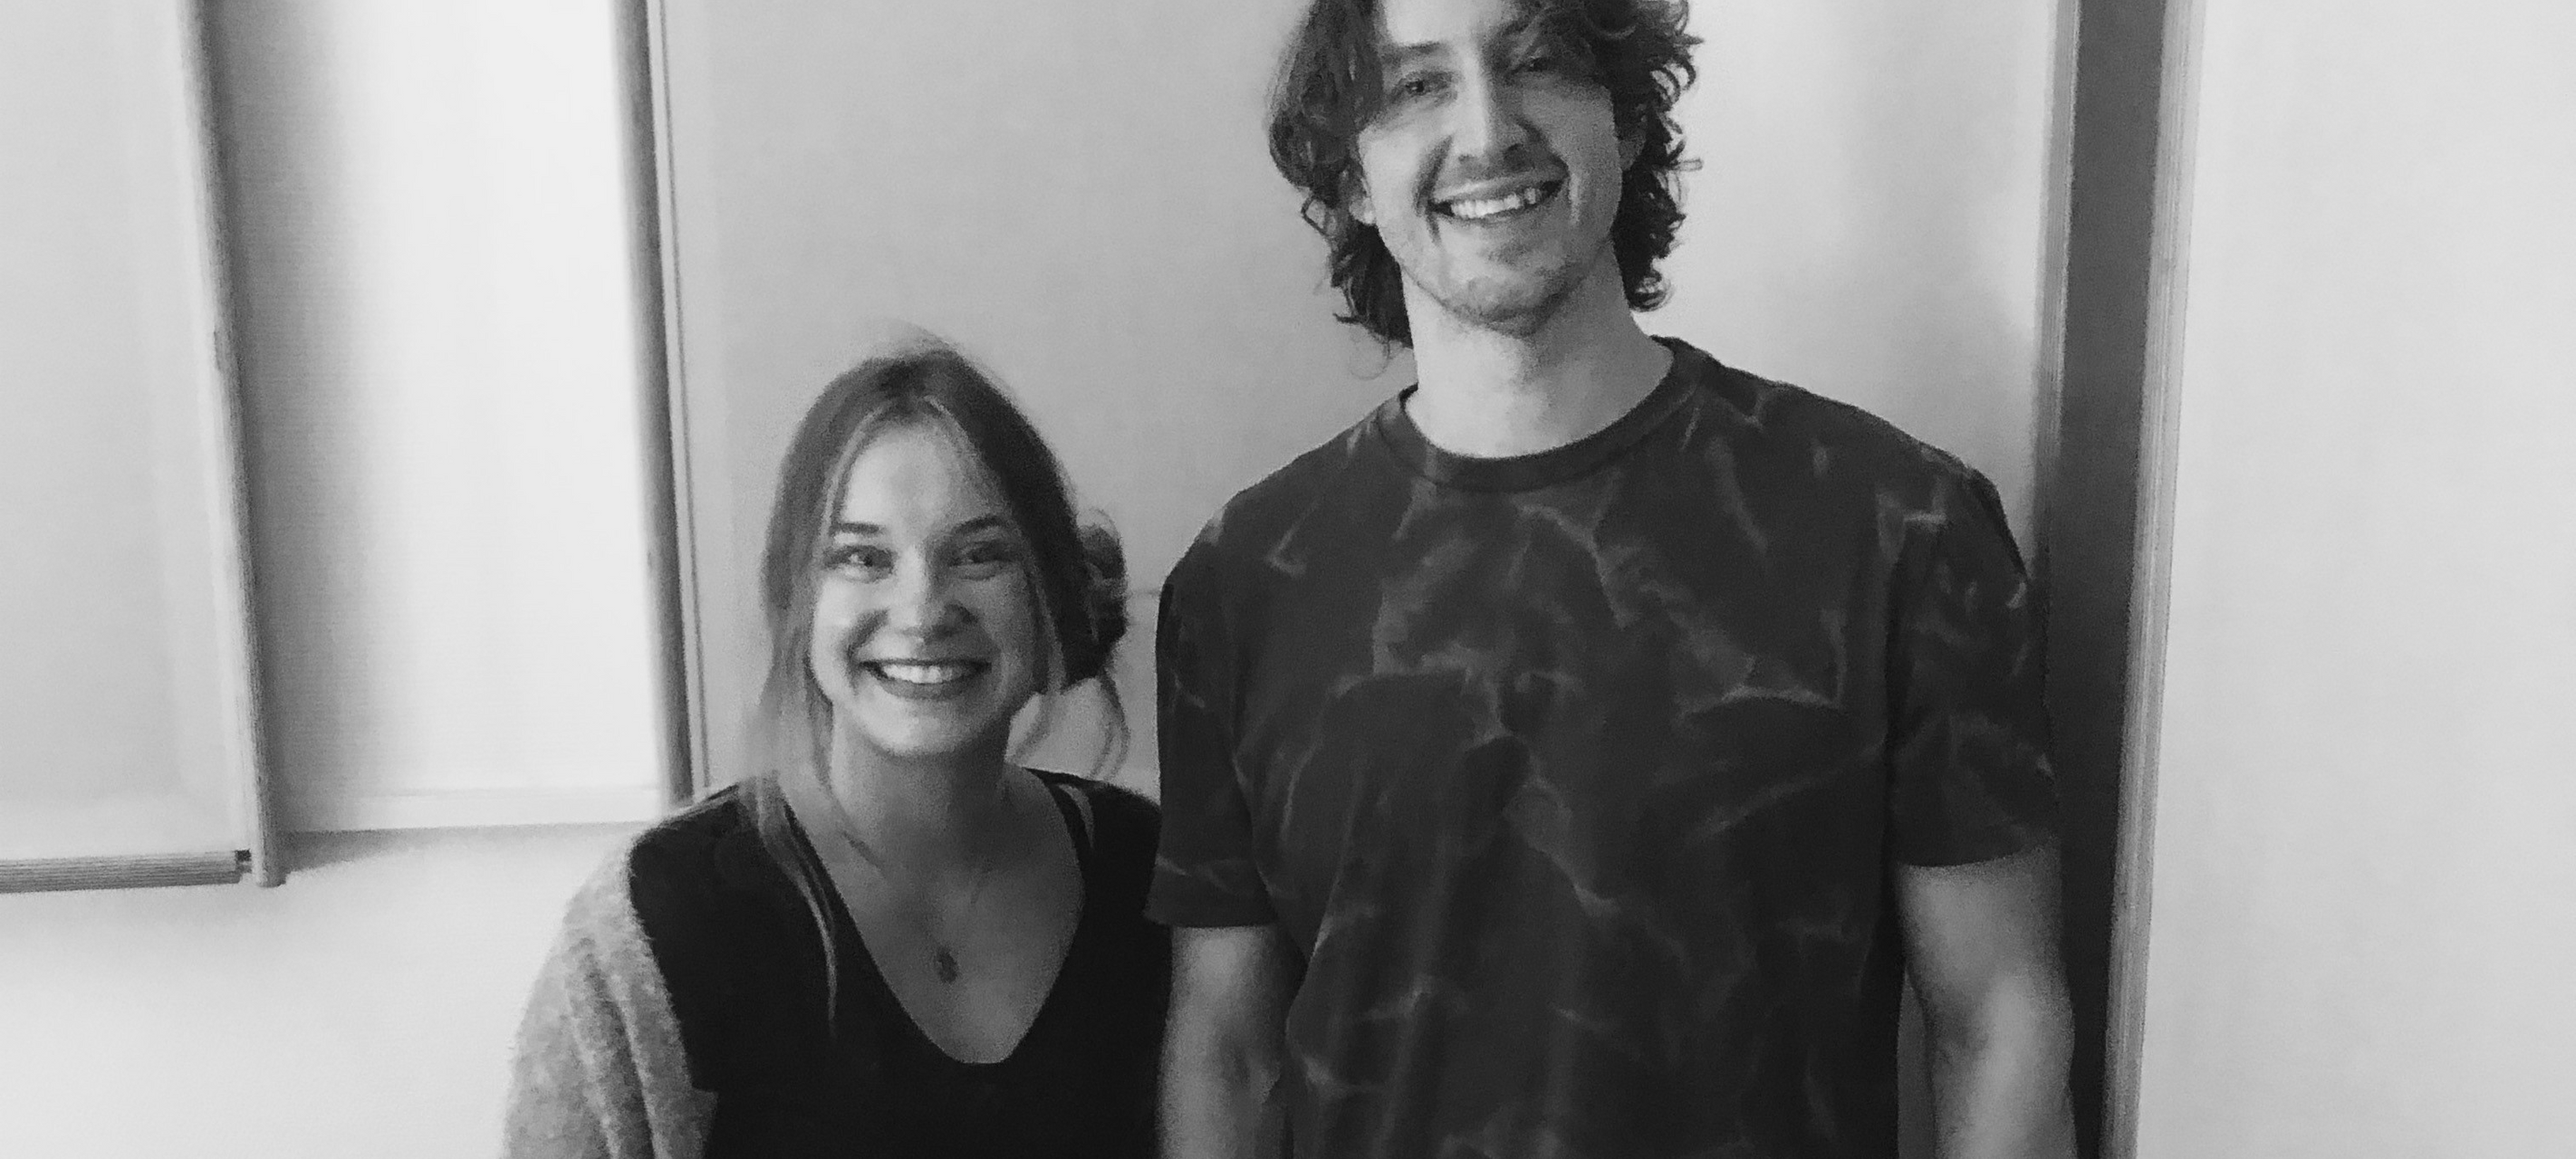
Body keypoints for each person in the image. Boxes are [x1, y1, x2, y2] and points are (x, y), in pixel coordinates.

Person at [1149, 0, 2075, 1156]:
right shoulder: (1245, 583)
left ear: (1628, 120)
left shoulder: (1900, 528)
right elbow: (1229, 1055)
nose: (1488, 130)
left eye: (1536, 61)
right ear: (1351, 175)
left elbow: (2000, 1021)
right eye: (1416, 87)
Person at [504, 343, 1170, 1157]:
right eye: (862, 558)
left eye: (979, 554)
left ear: (1051, 595)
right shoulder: (654, 927)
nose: (922, 610)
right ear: (797, 601)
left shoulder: (1151, 876)